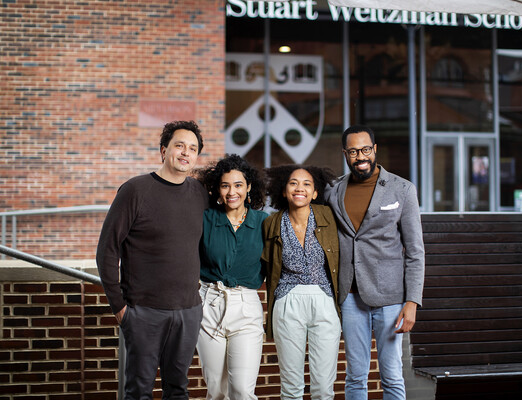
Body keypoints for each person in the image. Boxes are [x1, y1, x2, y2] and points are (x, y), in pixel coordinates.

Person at [96, 120, 209, 399]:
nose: (185, 152)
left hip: (188, 310)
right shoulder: (135, 190)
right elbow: (107, 251)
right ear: (163, 150)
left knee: (178, 390)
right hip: (143, 312)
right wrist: (120, 308)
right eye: (179, 145)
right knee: (138, 391)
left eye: (192, 148)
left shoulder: (199, 194)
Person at [324, 125, 425, 400]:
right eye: (354, 151)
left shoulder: (402, 189)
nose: (361, 156)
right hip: (350, 297)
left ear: (375, 149)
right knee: (355, 376)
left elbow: (415, 251)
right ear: (345, 154)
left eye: (366, 149)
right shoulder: (333, 191)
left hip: (391, 299)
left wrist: (412, 302)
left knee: (391, 375)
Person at [261, 165, 340, 400]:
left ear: (315, 193)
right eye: (293, 183)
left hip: (324, 299)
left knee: (324, 387)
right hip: (287, 300)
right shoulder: (272, 223)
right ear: (284, 191)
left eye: (307, 184)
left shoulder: (328, 217)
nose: (300, 188)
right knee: (291, 386)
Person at [195, 154, 268, 400]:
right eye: (225, 185)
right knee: (216, 391)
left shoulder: (263, 222)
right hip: (209, 305)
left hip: (246, 307)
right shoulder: (205, 219)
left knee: (241, 391)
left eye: (238, 185)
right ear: (217, 188)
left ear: (248, 187)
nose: (231, 192)